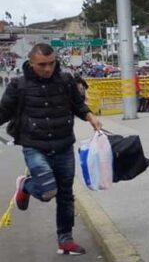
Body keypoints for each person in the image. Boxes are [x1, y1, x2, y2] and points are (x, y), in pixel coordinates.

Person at [3, 43, 102, 256]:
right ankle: (26, 185)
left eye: (51, 63)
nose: (48, 69)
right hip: (34, 146)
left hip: (64, 144)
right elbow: (3, 112)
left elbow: (78, 105)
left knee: (65, 194)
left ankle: (65, 240)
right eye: (42, 65)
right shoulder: (18, 86)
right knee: (48, 191)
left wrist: (90, 116)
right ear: (31, 63)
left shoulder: (66, 81)